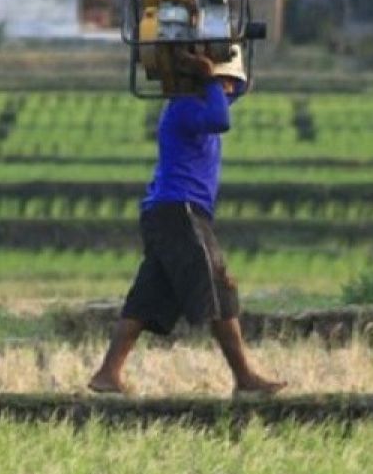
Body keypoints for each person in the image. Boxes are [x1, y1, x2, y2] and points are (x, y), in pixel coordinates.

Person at [88, 47, 286, 397]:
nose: (228, 90)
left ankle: (108, 373)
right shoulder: (188, 109)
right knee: (218, 284)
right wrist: (210, 75)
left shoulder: (195, 103)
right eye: (224, 83)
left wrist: (218, 69)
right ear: (204, 82)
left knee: (148, 298)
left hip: (166, 212)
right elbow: (222, 120)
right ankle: (244, 377)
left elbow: (238, 92)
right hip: (180, 211)